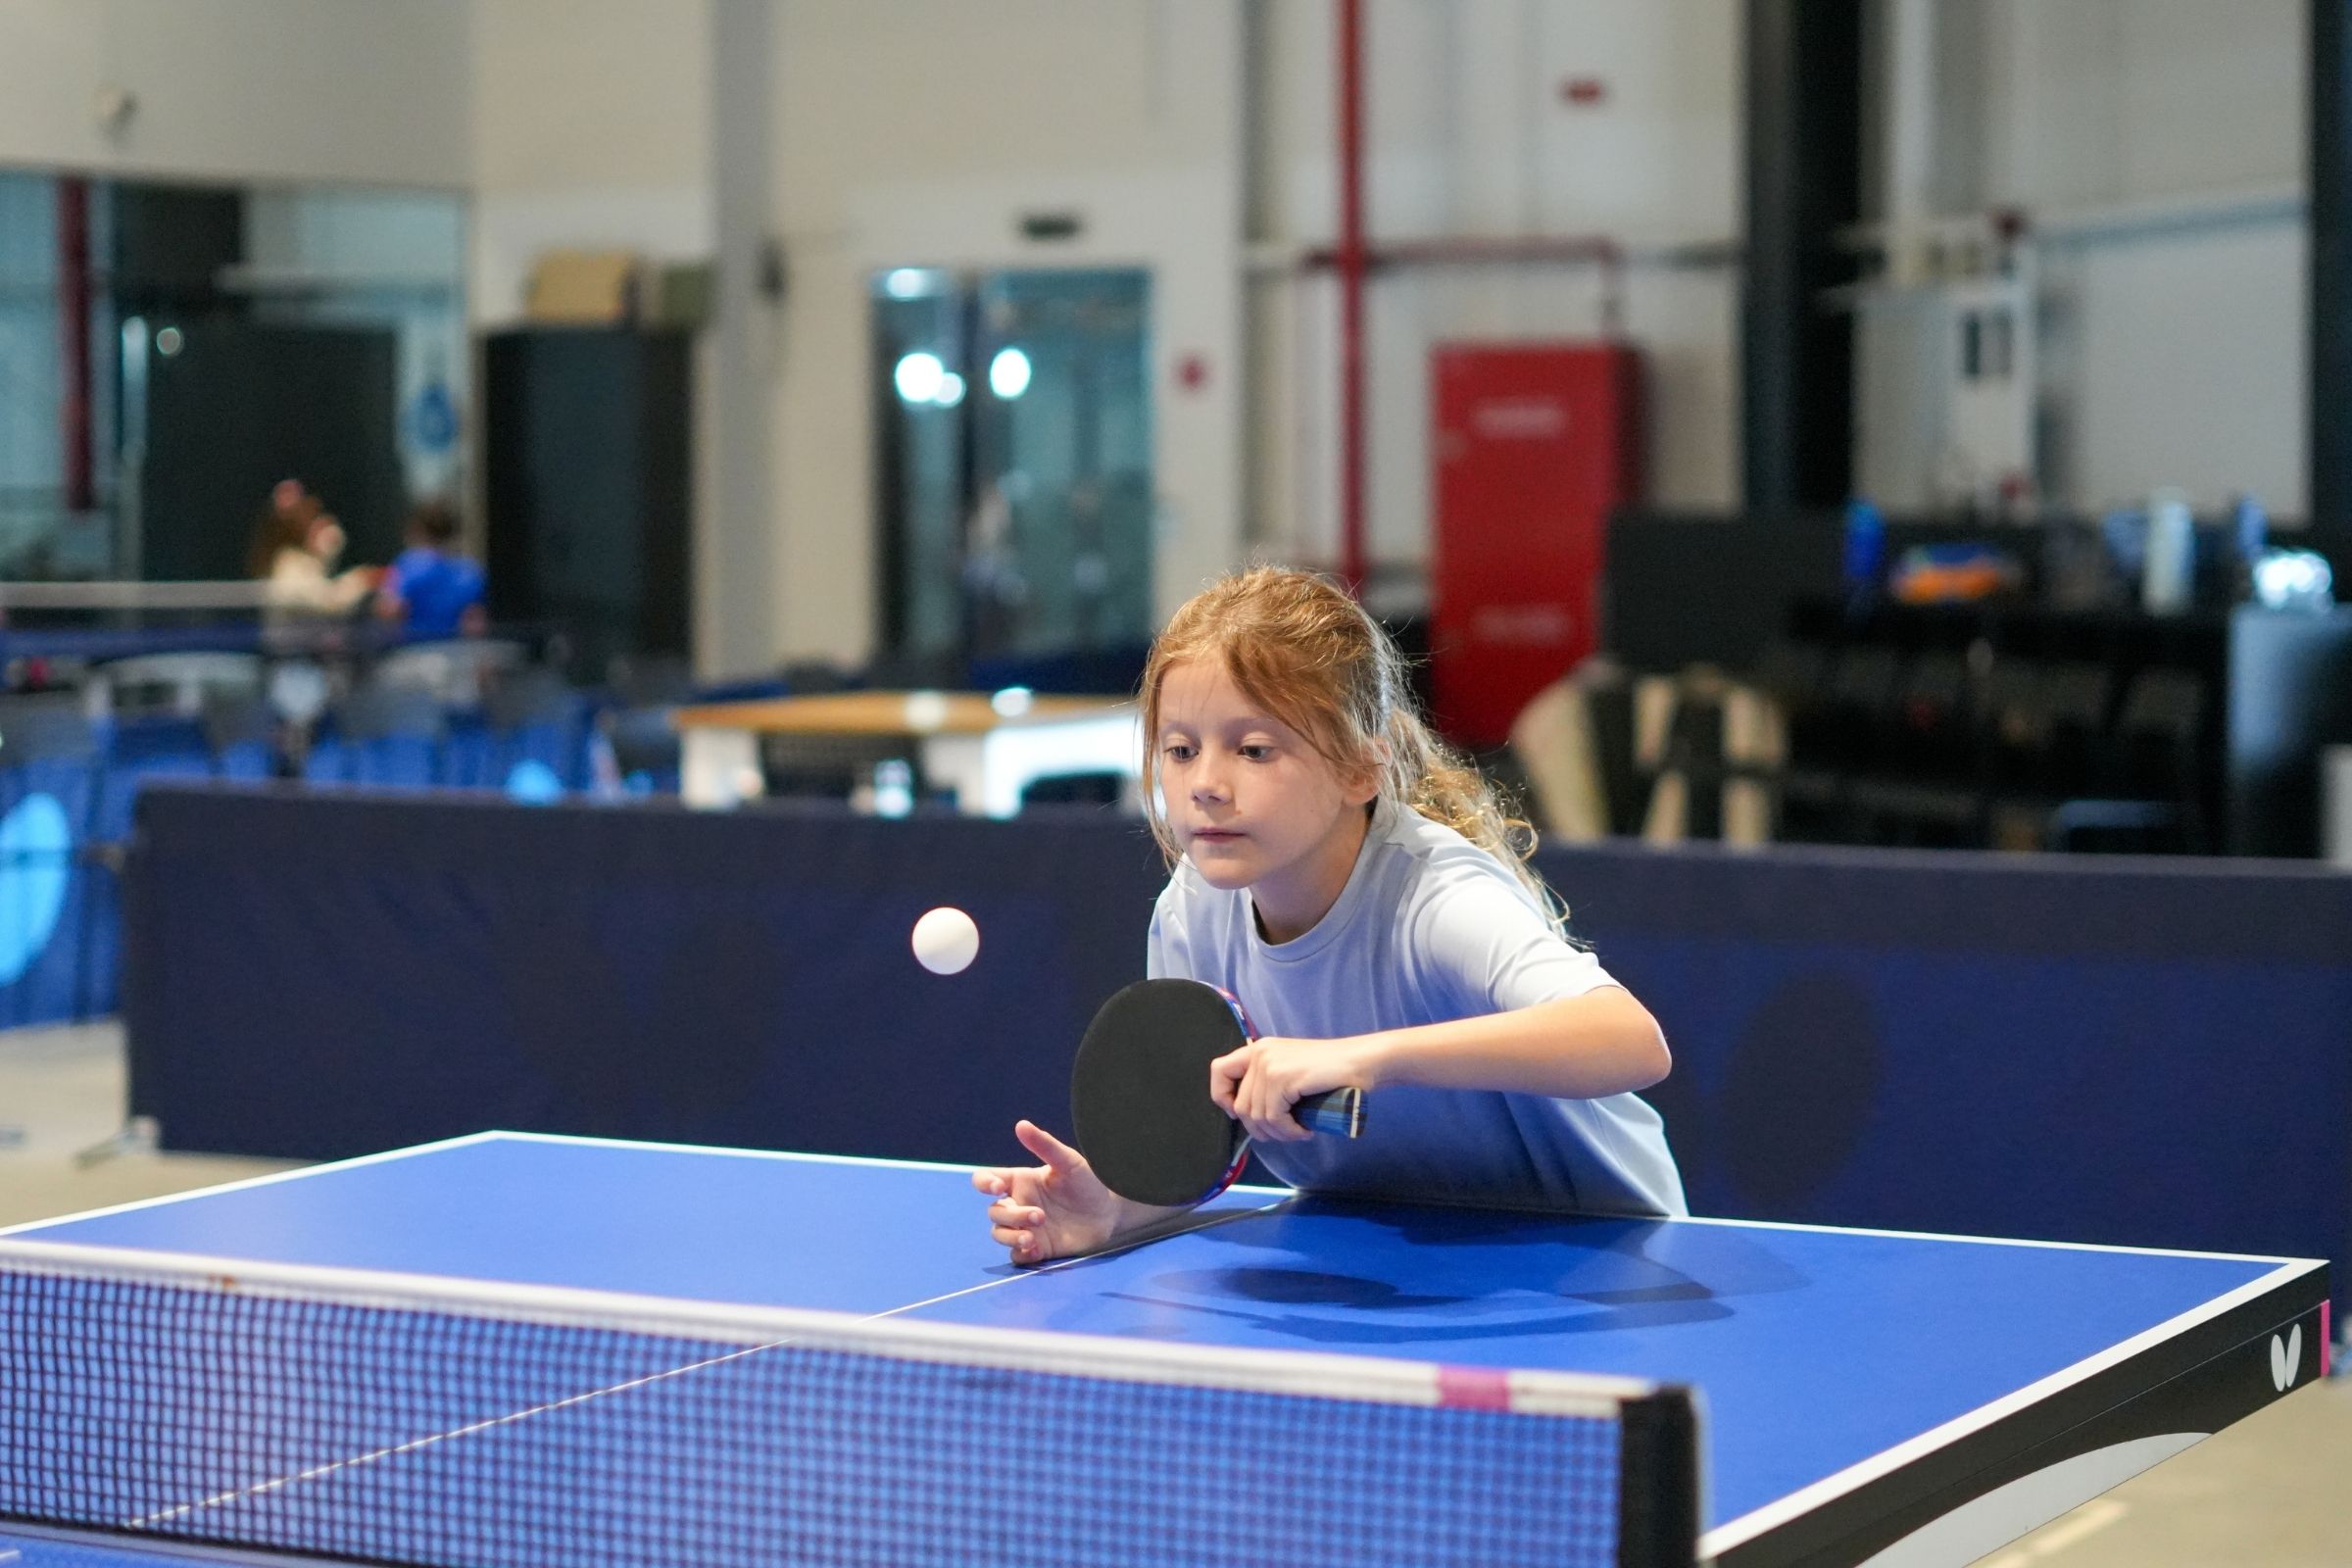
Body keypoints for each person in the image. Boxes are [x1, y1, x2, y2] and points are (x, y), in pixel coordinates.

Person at [976, 566, 1685, 1265]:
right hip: (1385, 1250)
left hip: (1600, 1246)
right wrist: (1114, 1208)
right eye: (1181, 750)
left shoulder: (1433, 897)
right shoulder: (1194, 913)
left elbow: (1631, 1041)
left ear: (1359, 770)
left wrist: (1364, 1057)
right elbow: (1205, 1140)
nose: (1207, 787)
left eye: (1254, 750)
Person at [247, 485, 376, 622]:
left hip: (313, 636)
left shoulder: (306, 558)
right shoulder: (287, 564)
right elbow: (328, 604)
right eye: (294, 514)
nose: (306, 519)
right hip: (295, 640)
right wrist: (359, 580)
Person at [376, 498, 488, 639]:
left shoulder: (408, 564)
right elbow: (475, 623)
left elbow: (390, 609)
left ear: (417, 529)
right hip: (456, 651)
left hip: (413, 651)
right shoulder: (471, 571)